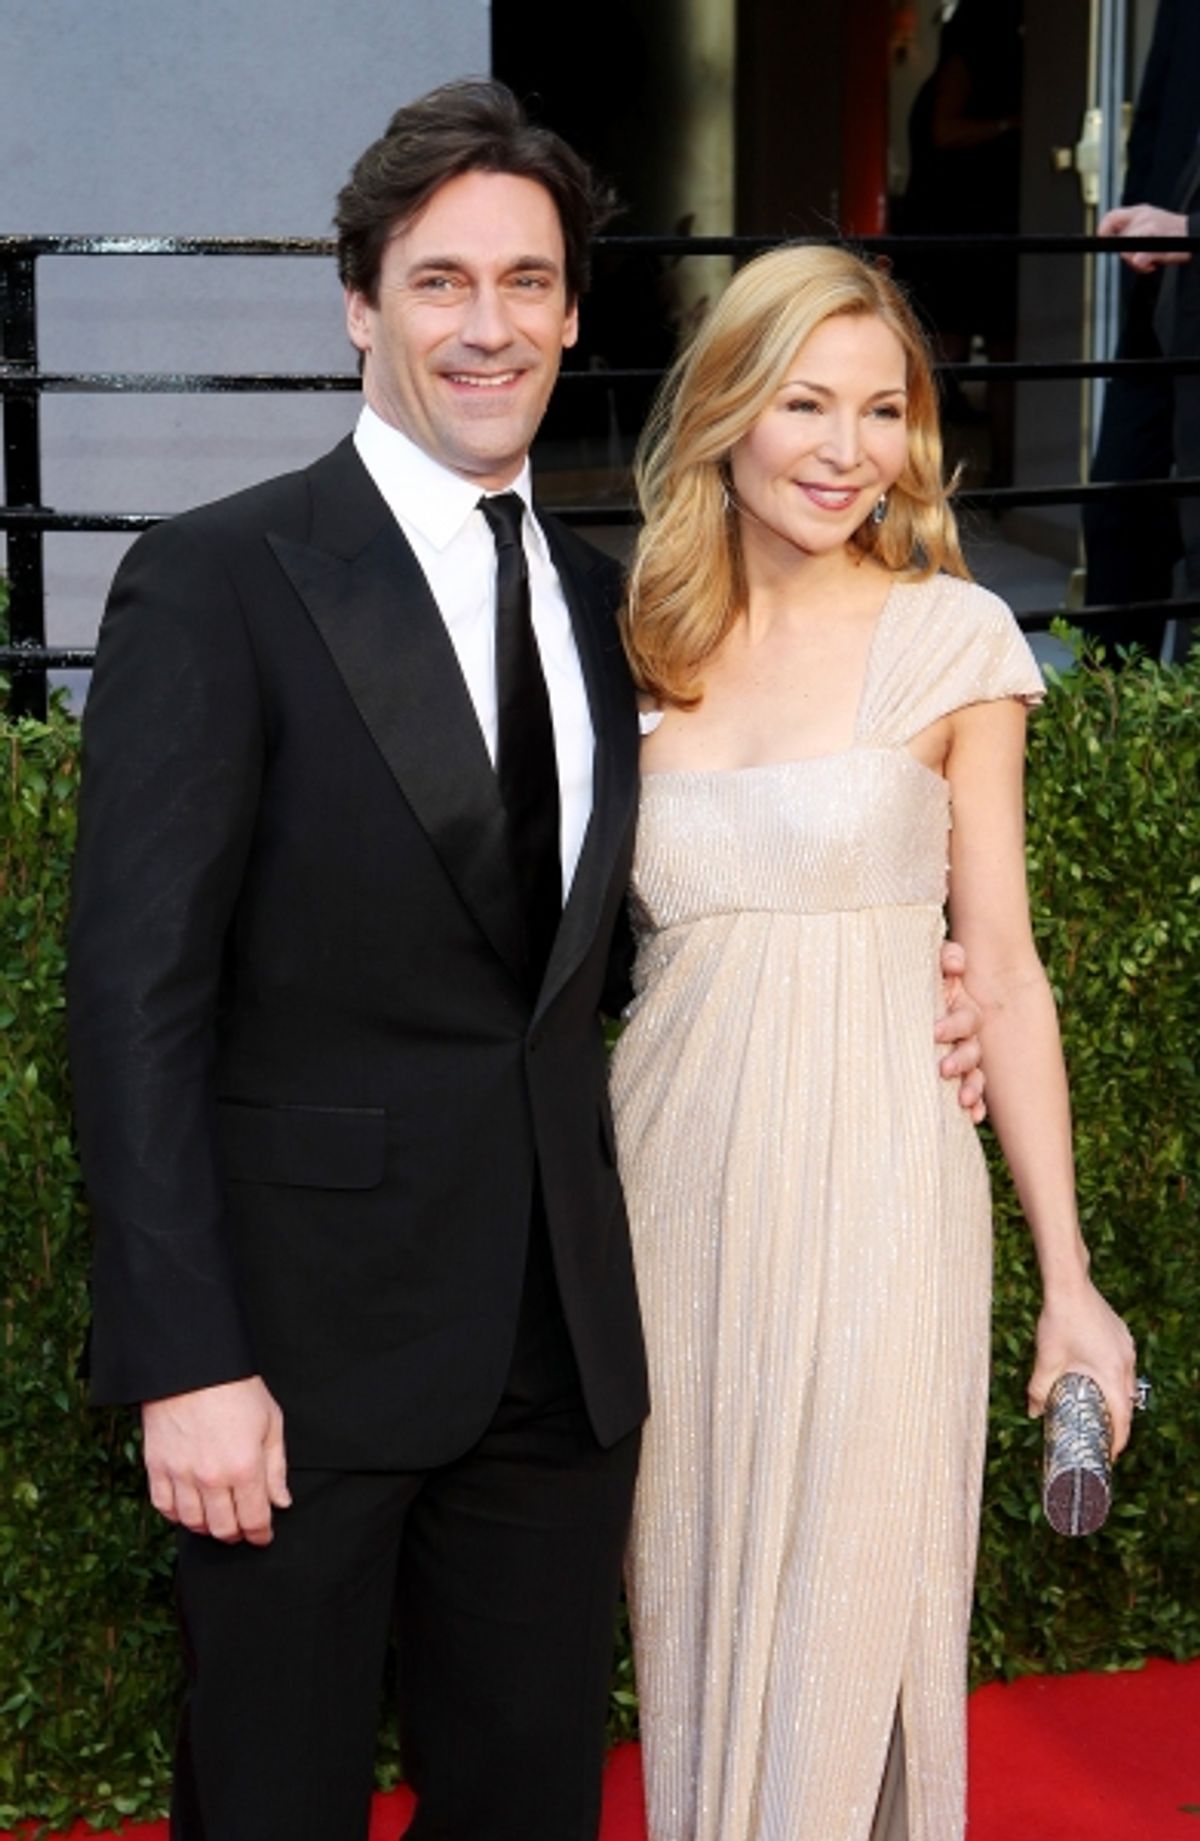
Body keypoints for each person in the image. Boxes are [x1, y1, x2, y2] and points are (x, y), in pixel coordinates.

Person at [67, 82, 987, 1841]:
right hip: (297, 1367)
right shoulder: (219, 579)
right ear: (362, 303)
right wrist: (184, 1355)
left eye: (526, 282)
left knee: (528, 1808)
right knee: (270, 1803)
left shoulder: (609, 604)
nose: (487, 325)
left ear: (573, 309)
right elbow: (132, 1001)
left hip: (560, 1361)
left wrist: (906, 992)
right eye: (438, 282)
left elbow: (636, 937)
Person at [613, 244, 1137, 1841]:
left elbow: (1013, 971)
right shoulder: (631, 652)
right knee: (694, 1639)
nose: (848, 448)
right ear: (723, 414)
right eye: (805, 403)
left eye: (885, 409)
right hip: (667, 1208)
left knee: (849, 1642)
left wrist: (1071, 1281)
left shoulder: (954, 639)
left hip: (884, 1195)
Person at [1084, 0, 1200, 654]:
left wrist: (1189, 232)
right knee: (1118, 513)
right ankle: (1108, 729)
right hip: (1159, 291)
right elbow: (1153, 121)